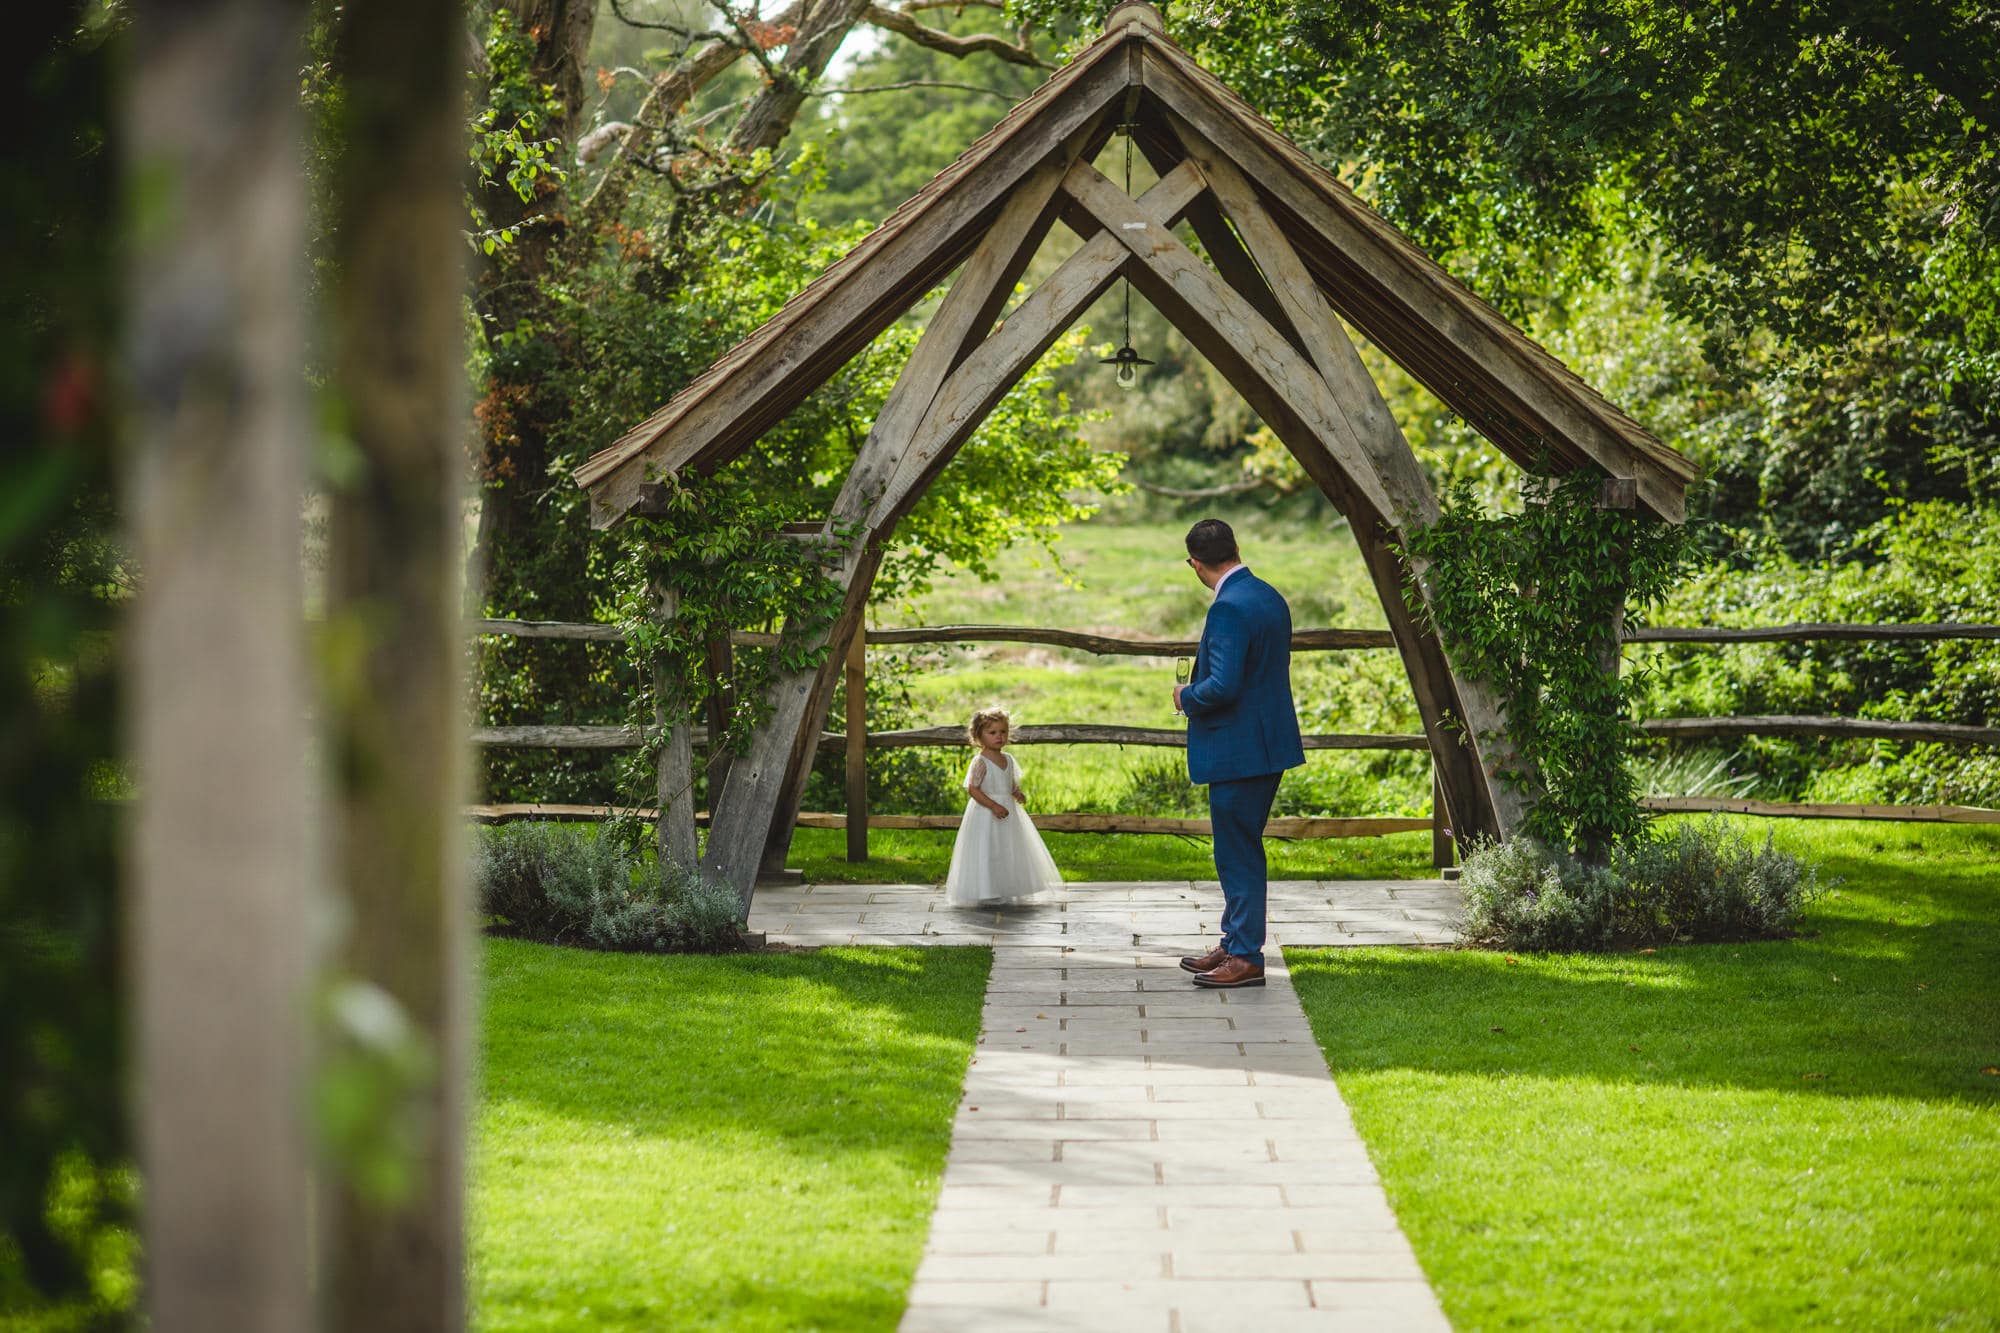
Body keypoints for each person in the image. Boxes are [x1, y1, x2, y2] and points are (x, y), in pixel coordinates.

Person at [1171, 518, 1305, 987]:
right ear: (1236, 548)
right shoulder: (1267, 595)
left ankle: (1246, 957)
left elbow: (1223, 686)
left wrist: (1186, 697)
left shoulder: (1227, 607)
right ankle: (1233, 941)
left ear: (1195, 564)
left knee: (1237, 852)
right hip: (1265, 743)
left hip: (1238, 747)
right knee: (1239, 846)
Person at [943, 707, 1063, 907]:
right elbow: (973, 789)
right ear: (979, 736)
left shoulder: (1007, 759)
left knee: (1008, 848)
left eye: (1003, 732)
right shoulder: (980, 762)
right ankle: (986, 888)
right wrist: (993, 805)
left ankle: (1006, 887)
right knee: (988, 849)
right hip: (985, 813)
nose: (999, 736)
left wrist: (1016, 792)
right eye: (992, 733)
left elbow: (1009, 783)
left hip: (1008, 813)